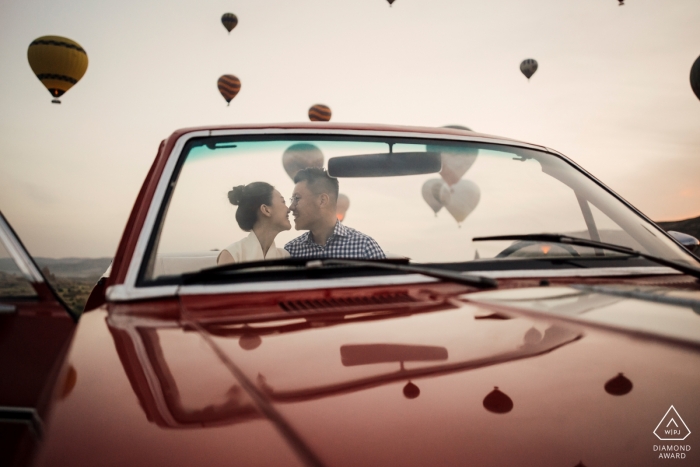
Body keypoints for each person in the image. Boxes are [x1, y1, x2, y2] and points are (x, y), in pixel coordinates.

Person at [285, 167, 385, 259]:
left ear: (322, 200)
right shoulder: (291, 251)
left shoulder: (364, 247)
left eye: (297, 198)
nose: (291, 207)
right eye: (292, 200)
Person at [218, 182, 291, 265]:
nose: (288, 209)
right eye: (283, 202)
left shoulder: (284, 256)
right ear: (266, 210)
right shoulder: (232, 255)